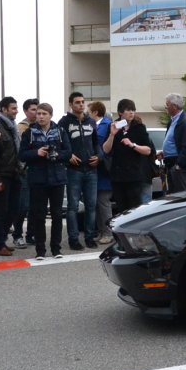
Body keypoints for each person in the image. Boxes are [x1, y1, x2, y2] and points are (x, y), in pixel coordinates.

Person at [20, 102, 71, 260]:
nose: (41, 116)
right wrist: (37, 152)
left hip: (56, 178)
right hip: (37, 179)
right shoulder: (29, 133)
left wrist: (55, 156)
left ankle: (56, 248)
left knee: (56, 214)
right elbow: (21, 154)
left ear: (51, 115)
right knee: (39, 215)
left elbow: (68, 152)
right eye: (39, 114)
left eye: (44, 114)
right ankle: (40, 250)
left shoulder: (60, 132)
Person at [58, 92, 100, 250]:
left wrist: (99, 156)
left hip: (91, 170)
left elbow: (96, 142)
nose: (81, 105)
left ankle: (89, 237)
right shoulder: (64, 122)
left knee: (91, 205)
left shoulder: (91, 121)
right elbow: (59, 144)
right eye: (77, 102)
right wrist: (67, 155)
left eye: (82, 102)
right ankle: (73, 239)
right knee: (72, 207)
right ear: (71, 104)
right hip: (73, 171)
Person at [103, 99, 155, 215]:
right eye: (128, 110)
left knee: (134, 205)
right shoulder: (114, 126)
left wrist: (133, 145)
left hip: (134, 174)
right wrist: (112, 134)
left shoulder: (139, 127)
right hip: (117, 174)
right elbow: (106, 149)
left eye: (133, 110)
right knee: (121, 206)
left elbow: (148, 150)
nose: (131, 113)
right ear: (121, 112)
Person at [0, 96, 23, 256]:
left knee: (14, 209)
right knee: (0, 211)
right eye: (13, 108)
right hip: (2, 175)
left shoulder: (12, 127)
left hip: (15, 173)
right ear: (4, 110)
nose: (16, 111)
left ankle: (2, 240)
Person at [13, 99, 39, 247]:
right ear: (26, 111)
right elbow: (19, 150)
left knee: (35, 206)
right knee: (23, 206)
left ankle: (31, 234)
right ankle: (17, 234)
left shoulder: (41, 127)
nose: (36, 113)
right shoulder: (21, 127)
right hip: (24, 171)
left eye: (38, 110)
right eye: (33, 110)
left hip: (37, 170)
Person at [161, 93, 186, 195]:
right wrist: (165, 153)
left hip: (178, 164)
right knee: (173, 195)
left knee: (180, 195)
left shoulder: (185, 122)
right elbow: (174, 141)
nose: (166, 107)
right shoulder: (172, 121)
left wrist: (179, 165)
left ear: (175, 106)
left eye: (167, 105)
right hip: (170, 162)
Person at [89, 100, 115, 245]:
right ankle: (101, 230)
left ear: (95, 112)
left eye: (89, 111)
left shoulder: (104, 125)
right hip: (98, 171)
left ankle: (108, 232)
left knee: (103, 202)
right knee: (98, 203)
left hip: (104, 170)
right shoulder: (99, 125)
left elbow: (98, 145)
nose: (87, 114)